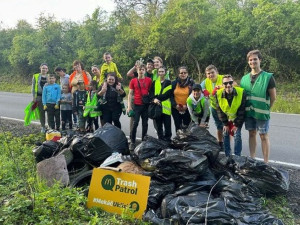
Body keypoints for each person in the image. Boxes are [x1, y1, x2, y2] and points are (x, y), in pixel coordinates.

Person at [240, 50, 276, 163]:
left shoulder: (268, 77)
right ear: (248, 62)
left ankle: (266, 162)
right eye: (250, 60)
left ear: (260, 60)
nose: (252, 61)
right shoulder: (244, 78)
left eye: (255, 59)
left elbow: (273, 97)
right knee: (251, 134)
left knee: (263, 136)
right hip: (249, 112)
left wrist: (267, 109)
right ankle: (252, 159)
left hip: (261, 113)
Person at [215, 75, 246, 157]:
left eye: (230, 82)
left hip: (237, 118)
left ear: (233, 83)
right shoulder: (218, 94)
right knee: (225, 133)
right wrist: (225, 124)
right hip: (226, 118)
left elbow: (242, 111)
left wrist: (236, 125)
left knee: (237, 135)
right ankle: (227, 155)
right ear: (222, 85)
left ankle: (237, 156)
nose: (228, 85)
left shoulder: (241, 92)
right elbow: (219, 111)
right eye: (225, 83)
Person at [127, 64, 152, 150]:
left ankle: (144, 141)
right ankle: (132, 142)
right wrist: (129, 106)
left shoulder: (149, 80)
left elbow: (151, 92)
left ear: (145, 71)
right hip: (136, 105)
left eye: (143, 69)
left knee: (145, 124)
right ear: (137, 71)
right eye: (139, 69)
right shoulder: (133, 81)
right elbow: (130, 94)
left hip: (145, 105)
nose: (141, 71)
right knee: (135, 124)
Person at [201, 65, 224, 150]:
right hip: (214, 107)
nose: (210, 75)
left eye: (212, 72)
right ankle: (220, 143)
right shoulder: (206, 81)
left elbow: (235, 85)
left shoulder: (223, 78)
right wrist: (203, 91)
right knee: (219, 126)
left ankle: (227, 143)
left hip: (226, 107)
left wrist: (220, 87)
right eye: (208, 73)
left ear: (217, 72)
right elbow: (198, 88)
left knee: (227, 126)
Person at [149, 66, 172, 142]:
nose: (161, 73)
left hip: (166, 107)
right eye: (159, 71)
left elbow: (167, 94)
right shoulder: (154, 82)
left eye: (162, 71)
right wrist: (154, 99)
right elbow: (151, 93)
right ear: (158, 73)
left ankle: (168, 140)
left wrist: (157, 98)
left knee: (167, 126)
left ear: (165, 73)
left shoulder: (168, 82)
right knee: (158, 126)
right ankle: (160, 140)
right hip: (157, 107)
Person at [170, 66, 194, 131]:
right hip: (176, 108)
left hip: (187, 108)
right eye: (181, 73)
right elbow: (170, 96)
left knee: (187, 125)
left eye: (185, 73)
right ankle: (179, 139)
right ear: (178, 74)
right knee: (178, 126)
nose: (183, 74)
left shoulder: (191, 84)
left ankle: (186, 140)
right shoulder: (174, 83)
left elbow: (194, 96)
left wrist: (186, 105)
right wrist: (175, 105)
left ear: (187, 73)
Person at [69, 60, 91, 128]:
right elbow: (70, 84)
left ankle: (89, 127)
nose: (77, 67)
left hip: (83, 95)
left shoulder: (86, 73)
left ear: (81, 66)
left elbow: (89, 83)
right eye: (75, 65)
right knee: (77, 111)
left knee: (85, 111)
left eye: (78, 65)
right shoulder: (73, 74)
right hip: (74, 95)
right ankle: (80, 127)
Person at [31, 63, 49, 133]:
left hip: (48, 98)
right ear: (40, 68)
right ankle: (43, 127)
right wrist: (33, 97)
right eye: (43, 68)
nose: (44, 69)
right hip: (39, 97)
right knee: (42, 112)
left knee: (49, 112)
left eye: (45, 68)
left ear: (47, 70)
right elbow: (33, 87)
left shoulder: (49, 76)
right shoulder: (36, 76)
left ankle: (50, 126)